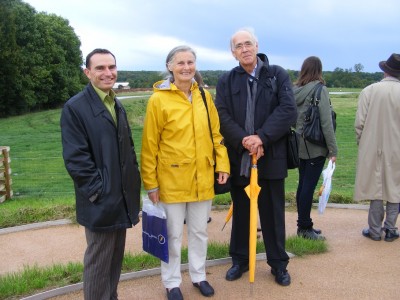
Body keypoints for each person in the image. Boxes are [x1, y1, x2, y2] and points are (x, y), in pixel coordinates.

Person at [141, 45, 230, 300]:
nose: (186, 67)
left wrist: (222, 164)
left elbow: (216, 135)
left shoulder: (204, 96)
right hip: (171, 180)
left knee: (200, 231)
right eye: (180, 63)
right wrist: (151, 183)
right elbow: (150, 145)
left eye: (190, 62)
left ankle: (199, 276)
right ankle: (171, 283)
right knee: (172, 234)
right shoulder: (158, 99)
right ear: (170, 66)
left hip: (203, 176)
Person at [215, 28, 297, 286]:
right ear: (233, 52)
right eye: (238, 46)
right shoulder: (226, 80)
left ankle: (278, 264)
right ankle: (240, 260)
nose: (244, 49)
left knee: (272, 213)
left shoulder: (277, 75)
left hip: (271, 157)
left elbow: (288, 110)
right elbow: (222, 115)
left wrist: (261, 137)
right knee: (241, 211)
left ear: (256, 45)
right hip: (241, 158)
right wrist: (244, 141)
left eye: (247, 44)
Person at [60, 48, 141, 300]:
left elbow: (126, 149)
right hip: (101, 200)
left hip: (122, 196)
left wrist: (132, 183)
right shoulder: (76, 108)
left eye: (112, 67)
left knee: (115, 257)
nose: (108, 73)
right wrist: (99, 192)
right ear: (87, 72)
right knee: (98, 261)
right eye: (100, 68)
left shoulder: (115, 102)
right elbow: (76, 160)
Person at [355, 53, 400, 242]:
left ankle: (374, 230)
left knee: (376, 188)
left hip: (372, 145)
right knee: (395, 186)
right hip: (397, 146)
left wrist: (362, 143)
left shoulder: (369, 90)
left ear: (385, 72)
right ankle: (390, 228)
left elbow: (359, 124)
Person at [293, 56, 338, 240]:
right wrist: (333, 150)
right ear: (318, 70)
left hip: (299, 144)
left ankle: (303, 225)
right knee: (307, 187)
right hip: (316, 146)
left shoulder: (295, 90)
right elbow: (326, 123)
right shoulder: (320, 90)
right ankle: (304, 227)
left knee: (303, 185)